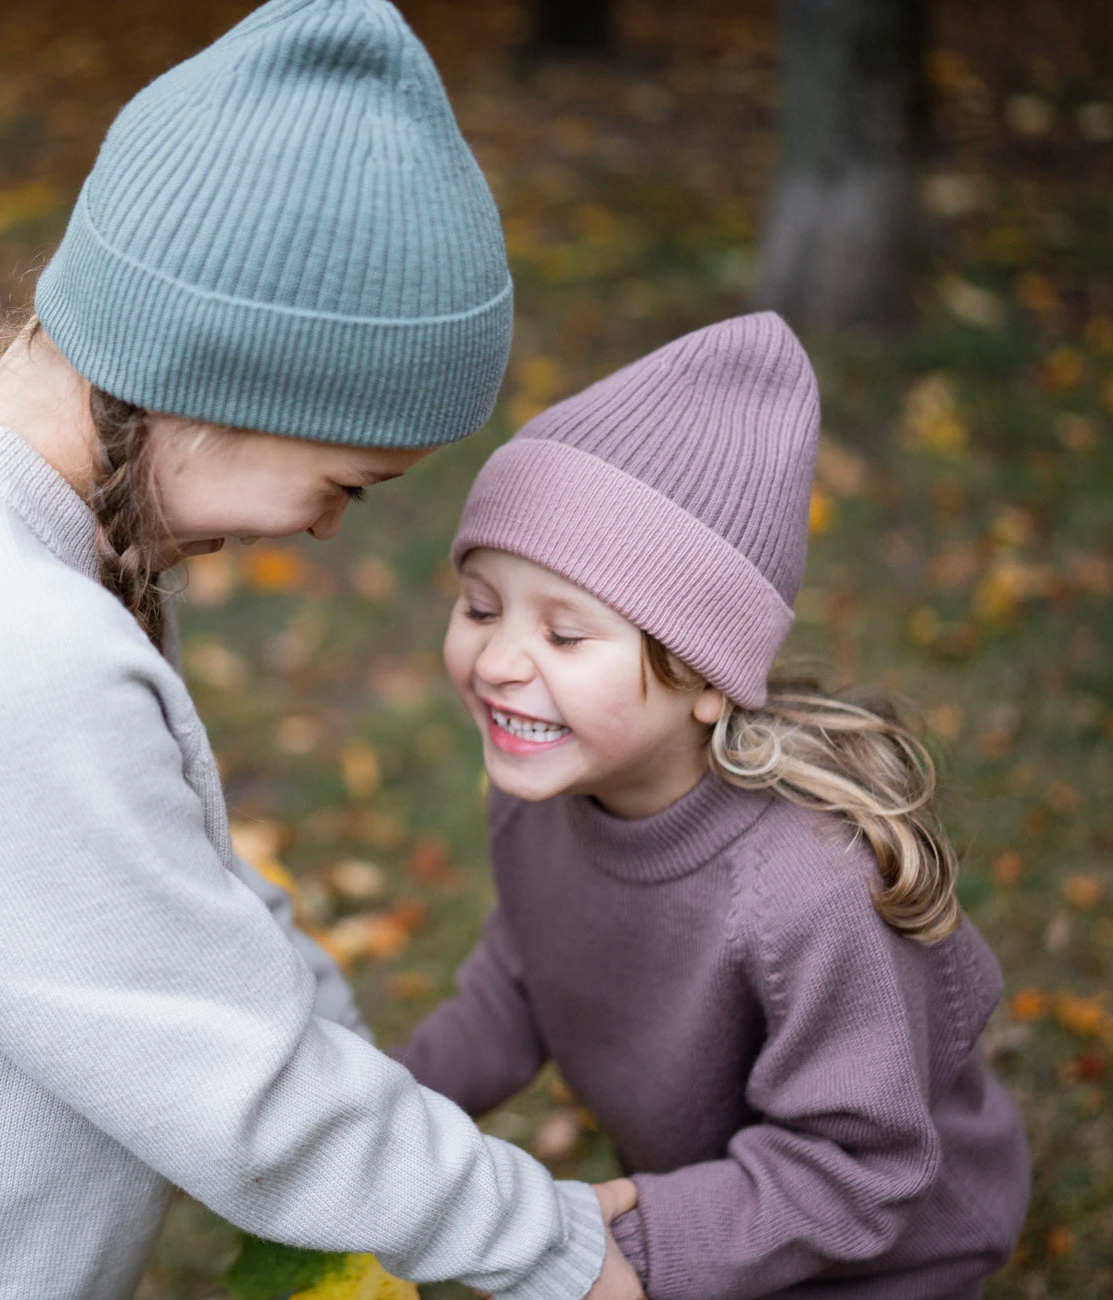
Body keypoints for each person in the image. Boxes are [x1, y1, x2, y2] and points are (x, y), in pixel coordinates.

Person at [0, 2, 642, 1297]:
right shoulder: (7, 644)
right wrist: (555, 1249)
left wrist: (365, 1083)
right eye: (349, 482)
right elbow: (234, 1082)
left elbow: (184, 895)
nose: (322, 530)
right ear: (226, 377)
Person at [389, 311, 1031, 1299]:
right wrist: (381, 1112)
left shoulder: (806, 894)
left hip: (874, 1264)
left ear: (705, 675)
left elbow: (856, 1170)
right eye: (480, 606)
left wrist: (629, 1253)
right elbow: (522, 975)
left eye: (565, 635)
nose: (500, 659)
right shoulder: (547, 794)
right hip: (719, 1215)